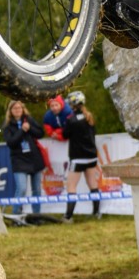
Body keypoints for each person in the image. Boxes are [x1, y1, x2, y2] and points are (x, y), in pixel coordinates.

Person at [60, 91, 102, 222]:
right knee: (92, 184)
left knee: (71, 186)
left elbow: (65, 135)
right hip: (91, 156)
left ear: (72, 104)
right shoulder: (89, 117)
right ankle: (96, 213)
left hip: (77, 157)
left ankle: (68, 216)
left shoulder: (71, 119)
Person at [2, 100, 46, 215]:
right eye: (15, 108)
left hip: (34, 158)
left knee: (36, 189)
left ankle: (36, 215)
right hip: (19, 160)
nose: (17, 110)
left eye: (19, 108)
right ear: (10, 111)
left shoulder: (28, 120)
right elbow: (11, 142)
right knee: (21, 188)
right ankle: (16, 215)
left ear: (23, 109)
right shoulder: (7, 125)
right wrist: (22, 130)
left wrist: (30, 128)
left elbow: (41, 133)